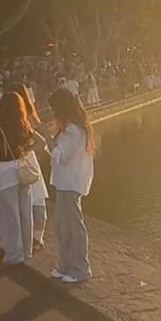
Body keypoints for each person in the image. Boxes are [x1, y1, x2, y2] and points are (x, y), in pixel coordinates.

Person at [0, 92, 47, 265]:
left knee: (11, 215)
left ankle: (14, 254)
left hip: (6, 172)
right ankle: (27, 250)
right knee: (25, 214)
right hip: (22, 172)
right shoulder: (24, 125)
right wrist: (26, 150)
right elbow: (42, 142)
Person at [47, 89, 95, 284]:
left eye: (55, 109)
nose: (53, 113)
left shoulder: (74, 130)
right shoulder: (69, 128)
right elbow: (57, 153)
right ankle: (66, 264)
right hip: (64, 182)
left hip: (71, 183)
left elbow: (61, 155)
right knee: (63, 226)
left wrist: (47, 138)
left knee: (73, 225)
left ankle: (80, 268)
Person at [17, 84, 50, 252]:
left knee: (30, 201)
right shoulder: (29, 115)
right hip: (29, 160)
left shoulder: (22, 116)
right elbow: (43, 139)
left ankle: (33, 237)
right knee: (37, 199)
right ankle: (37, 237)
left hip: (21, 159)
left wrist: (25, 149)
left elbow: (41, 140)